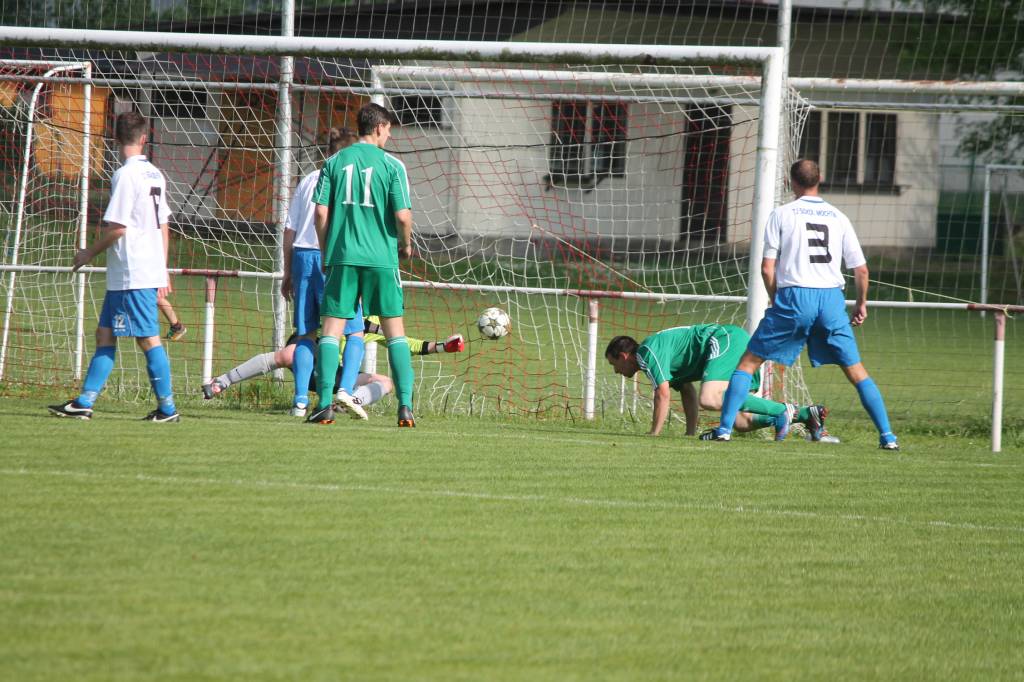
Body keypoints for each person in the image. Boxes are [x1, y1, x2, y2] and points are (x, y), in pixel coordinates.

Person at [704, 159, 899, 450]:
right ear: (819, 179)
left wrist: (776, 299)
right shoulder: (839, 217)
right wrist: (861, 304)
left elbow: (767, 268)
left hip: (795, 296)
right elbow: (861, 270)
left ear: (791, 181)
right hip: (830, 299)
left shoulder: (781, 214)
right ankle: (888, 437)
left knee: (748, 363)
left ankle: (723, 430)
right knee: (856, 371)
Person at [48, 111, 179, 422]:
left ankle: (168, 408)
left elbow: (118, 228)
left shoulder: (126, 175)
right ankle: (84, 402)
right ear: (144, 138)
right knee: (104, 333)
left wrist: (88, 253)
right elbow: (164, 225)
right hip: (135, 271)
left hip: (132, 270)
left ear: (114, 137)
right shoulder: (155, 174)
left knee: (148, 339)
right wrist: (161, 268)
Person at [309, 103, 416, 426]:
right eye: (389, 130)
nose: (389, 136)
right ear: (380, 128)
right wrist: (406, 244)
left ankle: (324, 405)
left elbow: (320, 213)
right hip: (381, 260)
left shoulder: (333, 162)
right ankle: (405, 407)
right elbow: (403, 216)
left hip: (343, 257)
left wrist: (326, 251)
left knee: (331, 331)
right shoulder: (393, 166)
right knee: (395, 333)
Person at [606, 324, 828, 440]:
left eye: (614, 364)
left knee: (710, 398)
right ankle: (807, 415)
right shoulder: (659, 357)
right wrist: (690, 433)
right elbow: (686, 390)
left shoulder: (646, 353)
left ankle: (784, 410)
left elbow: (662, 394)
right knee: (741, 422)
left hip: (723, 340)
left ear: (624, 356)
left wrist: (654, 433)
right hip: (733, 341)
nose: (616, 371)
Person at [202, 320, 465, 416]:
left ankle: (348, 403)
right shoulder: (335, 297)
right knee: (289, 353)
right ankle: (221, 382)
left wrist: (443, 346)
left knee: (386, 382)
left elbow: (404, 343)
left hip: (339, 376)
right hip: (310, 361)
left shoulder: (373, 320)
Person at [281, 127, 365, 417]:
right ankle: (345, 391)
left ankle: (300, 402)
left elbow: (289, 230)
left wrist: (288, 272)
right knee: (354, 331)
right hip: (333, 258)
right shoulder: (348, 183)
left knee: (307, 334)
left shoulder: (308, 180)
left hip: (302, 258)